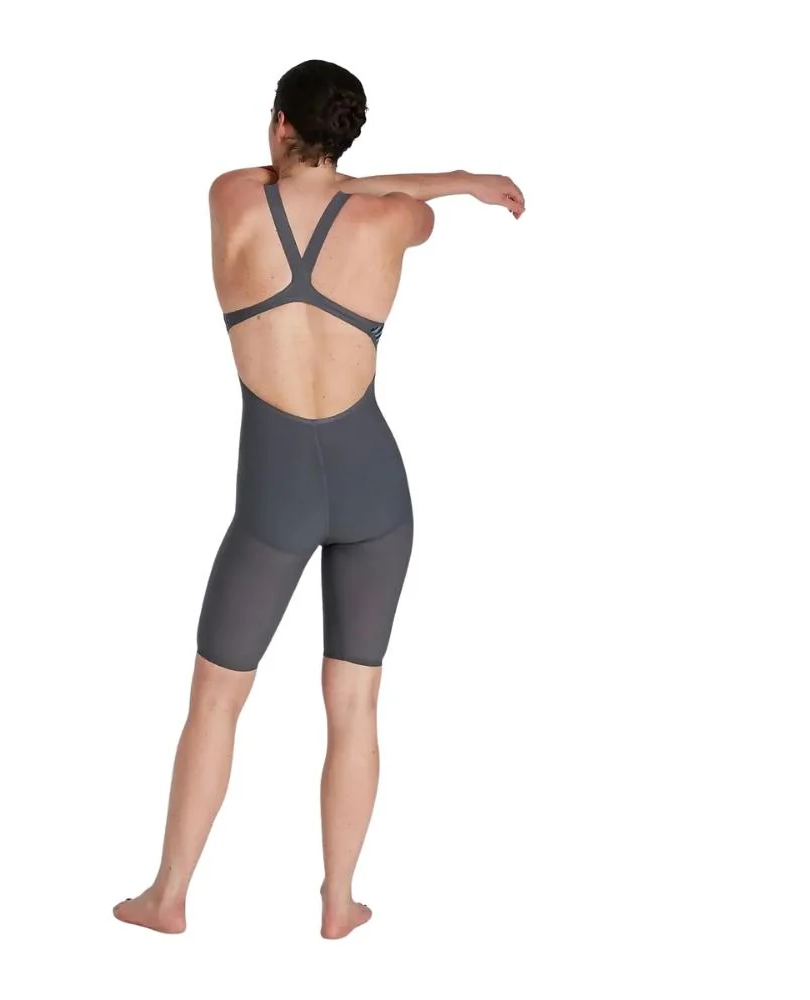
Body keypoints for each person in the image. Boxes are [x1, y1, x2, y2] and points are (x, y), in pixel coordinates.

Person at [114, 59, 525, 940]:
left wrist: (320, 166)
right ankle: (340, 903)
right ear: (346, 136)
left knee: (217, 699)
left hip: (276, 495)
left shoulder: (231, 198)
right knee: (355, 705)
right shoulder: (397, 221)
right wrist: (462, 181)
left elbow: (310, 184)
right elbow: (366, 192)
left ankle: (168, 897)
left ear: (277, 124)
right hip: (376, 488)